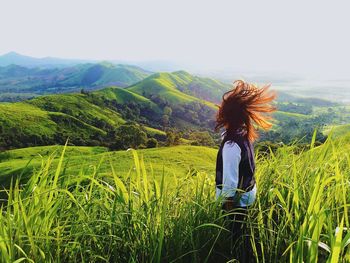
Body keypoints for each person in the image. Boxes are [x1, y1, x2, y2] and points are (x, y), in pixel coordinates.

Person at [215, 80, 277, 262]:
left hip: (237, 202)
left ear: (227, 115)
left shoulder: (231, 144)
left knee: (235, 238)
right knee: (243, 235)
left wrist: (228, 207)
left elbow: (230, 183)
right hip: (248, 194)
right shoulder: (243, 134)